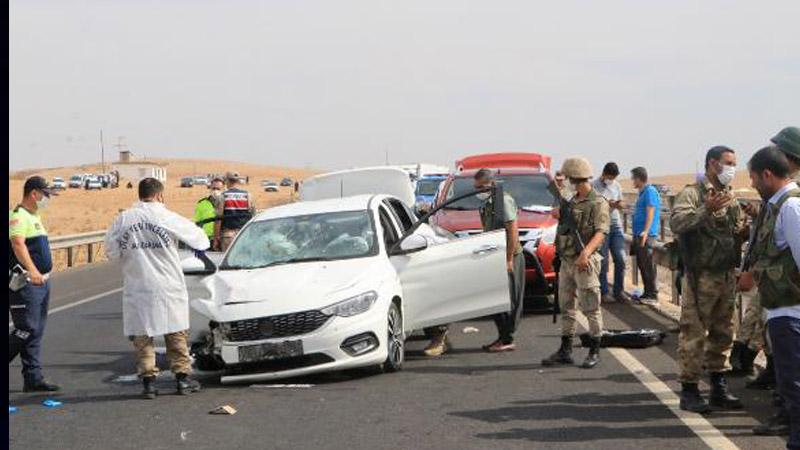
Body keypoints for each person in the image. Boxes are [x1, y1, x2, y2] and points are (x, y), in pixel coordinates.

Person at [104, 178, 210, 399]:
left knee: (143, 337)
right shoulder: (166, 216)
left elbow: (111, 252)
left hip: (138, 285)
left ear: (139, 194)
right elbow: (201, 241)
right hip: (167, 285)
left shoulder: (124, 219)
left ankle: (149, 384)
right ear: (160, 195)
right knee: (176, 333)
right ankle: (182, 380)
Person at [671, 146, 746, 413]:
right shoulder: (691, 193)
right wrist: (705, 209)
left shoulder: (730, 197)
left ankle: (718, 386)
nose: (732, 168)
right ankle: (689, 390)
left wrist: (748, 225)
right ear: (712, 164)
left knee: (724, 332)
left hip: (724, 275)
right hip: (699, 277)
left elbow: (735, 229)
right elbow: (677, 223)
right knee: (694, 333)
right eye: (728, 163)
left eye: (734, 163)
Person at [422, 168, 526, 356]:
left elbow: (512, 232)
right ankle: (503, 337)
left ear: (491, 184)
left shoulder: (503, 200)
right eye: (476, 187)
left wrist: (509, 259)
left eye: (481, 187)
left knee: (509, 299)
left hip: (508, 255)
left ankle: (507, 338)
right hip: (495, 254)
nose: (478, 191)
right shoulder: (489, 202)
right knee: (496, 299)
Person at [738, 146, 800, 449]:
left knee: (795, 384)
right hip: (781, 309)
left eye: (752, 177)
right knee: (789, 383)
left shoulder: (791, 208)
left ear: (767, 174)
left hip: (793, 312)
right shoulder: (777, 205)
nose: (751, 184)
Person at [542, 157, 610, 369]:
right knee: (567, 306)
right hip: (567, 260)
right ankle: (566, 349)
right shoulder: (571, 201)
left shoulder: (598, 202)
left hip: (585, 261)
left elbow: (601, 232)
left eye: (569, 178)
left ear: (576, 178)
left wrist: (586, 254)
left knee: (591, 306)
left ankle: (594, 350)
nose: (568, 182)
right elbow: (564, 225)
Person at [8, 176, 61, 392]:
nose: (47, 199)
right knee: (26, 328)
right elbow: (18, 244)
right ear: (33, 194)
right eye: (45, 195)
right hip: (26, 283)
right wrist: (32, 270)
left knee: (36, 331)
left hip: (41, 283)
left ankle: (33, 378)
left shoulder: (35, 216)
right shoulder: (19, 216)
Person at [592, 162, 629, 303]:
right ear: (604, 174)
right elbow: (592, 205)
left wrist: (619, 204)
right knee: (603, 260)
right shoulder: (594, 186)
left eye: (613, 178)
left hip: (616, 226)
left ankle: (619, 291)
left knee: (621, 258)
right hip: (602, 226)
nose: (611, 180)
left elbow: (623, 204)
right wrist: (608, 204)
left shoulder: (617, 185)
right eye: (610, 177)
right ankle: (603, 291)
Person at [630, 166, 661, 303]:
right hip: (638, 233)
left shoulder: (650, 191)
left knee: (648, 264)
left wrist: (646, 231)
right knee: (642, 264)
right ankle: (647, 292)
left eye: (633, 178)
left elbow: (651, 212)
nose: (632, 181)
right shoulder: (642, 193)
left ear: (638, 178)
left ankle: (652, 294)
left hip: (646, 235)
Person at [217, 171, 255, 251]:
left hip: (228, 235)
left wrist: (216, 237)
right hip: (243, 234)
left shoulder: (223, 196)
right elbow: (253, 216)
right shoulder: (247, 195)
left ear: (227, 181)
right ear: (238, 181)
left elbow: (218, 219)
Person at [193, 177, 224, 250]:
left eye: (218, 189)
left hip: (221, 239)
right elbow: (197, 223)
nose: (215, 191)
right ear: (210, 188)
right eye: (213, 188)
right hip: (206, 239)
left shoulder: (226, 203)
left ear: (223, 190)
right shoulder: (202, 203)